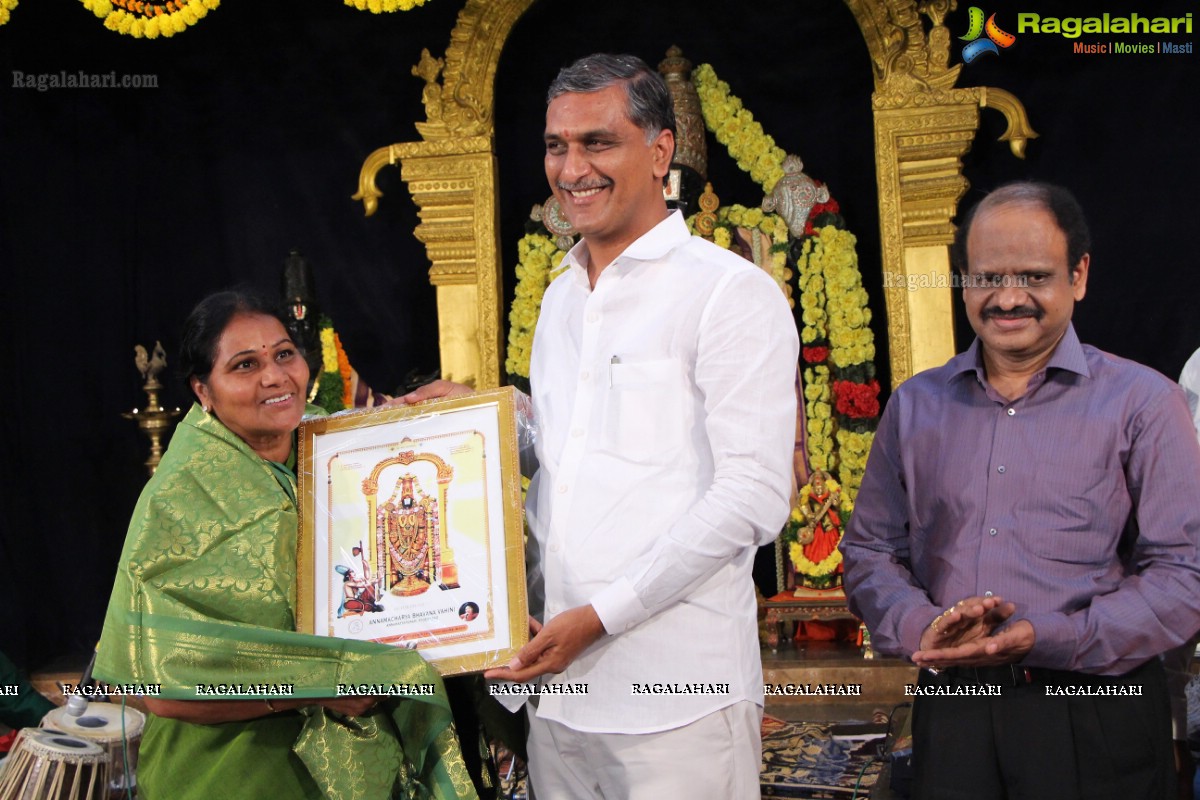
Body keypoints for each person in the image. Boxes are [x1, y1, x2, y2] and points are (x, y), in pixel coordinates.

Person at [407, 53, 798, 798]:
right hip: (560, 694)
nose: (571, 167)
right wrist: (467, 420)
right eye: (557, 145)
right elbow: (561, 449)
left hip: (676, 698)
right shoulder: (561, 296)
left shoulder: (729, 294)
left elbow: (753, 497)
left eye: (597, 142)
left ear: (660, 151)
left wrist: (601, 616)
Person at [840, 181, 1200, 799]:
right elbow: (869, 550)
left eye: (1033, 276)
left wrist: (1055, 636)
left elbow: (1185, 573)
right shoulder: (917, 405)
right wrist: (919, 625)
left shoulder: (1143, 401)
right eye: (987, 278)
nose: (1008, 299)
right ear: (963, 279)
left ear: (1079, 275)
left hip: (1094, 703)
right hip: (954, 703)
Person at [95, 290, 476, 800]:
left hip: (360, 755)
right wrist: (312, 689)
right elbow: (148, 686)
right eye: (245, 364)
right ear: (202, 390)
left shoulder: (334, 450)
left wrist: (444, 422)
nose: (274, 376)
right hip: (231, 771)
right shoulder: (179, 500)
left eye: (283, 354)